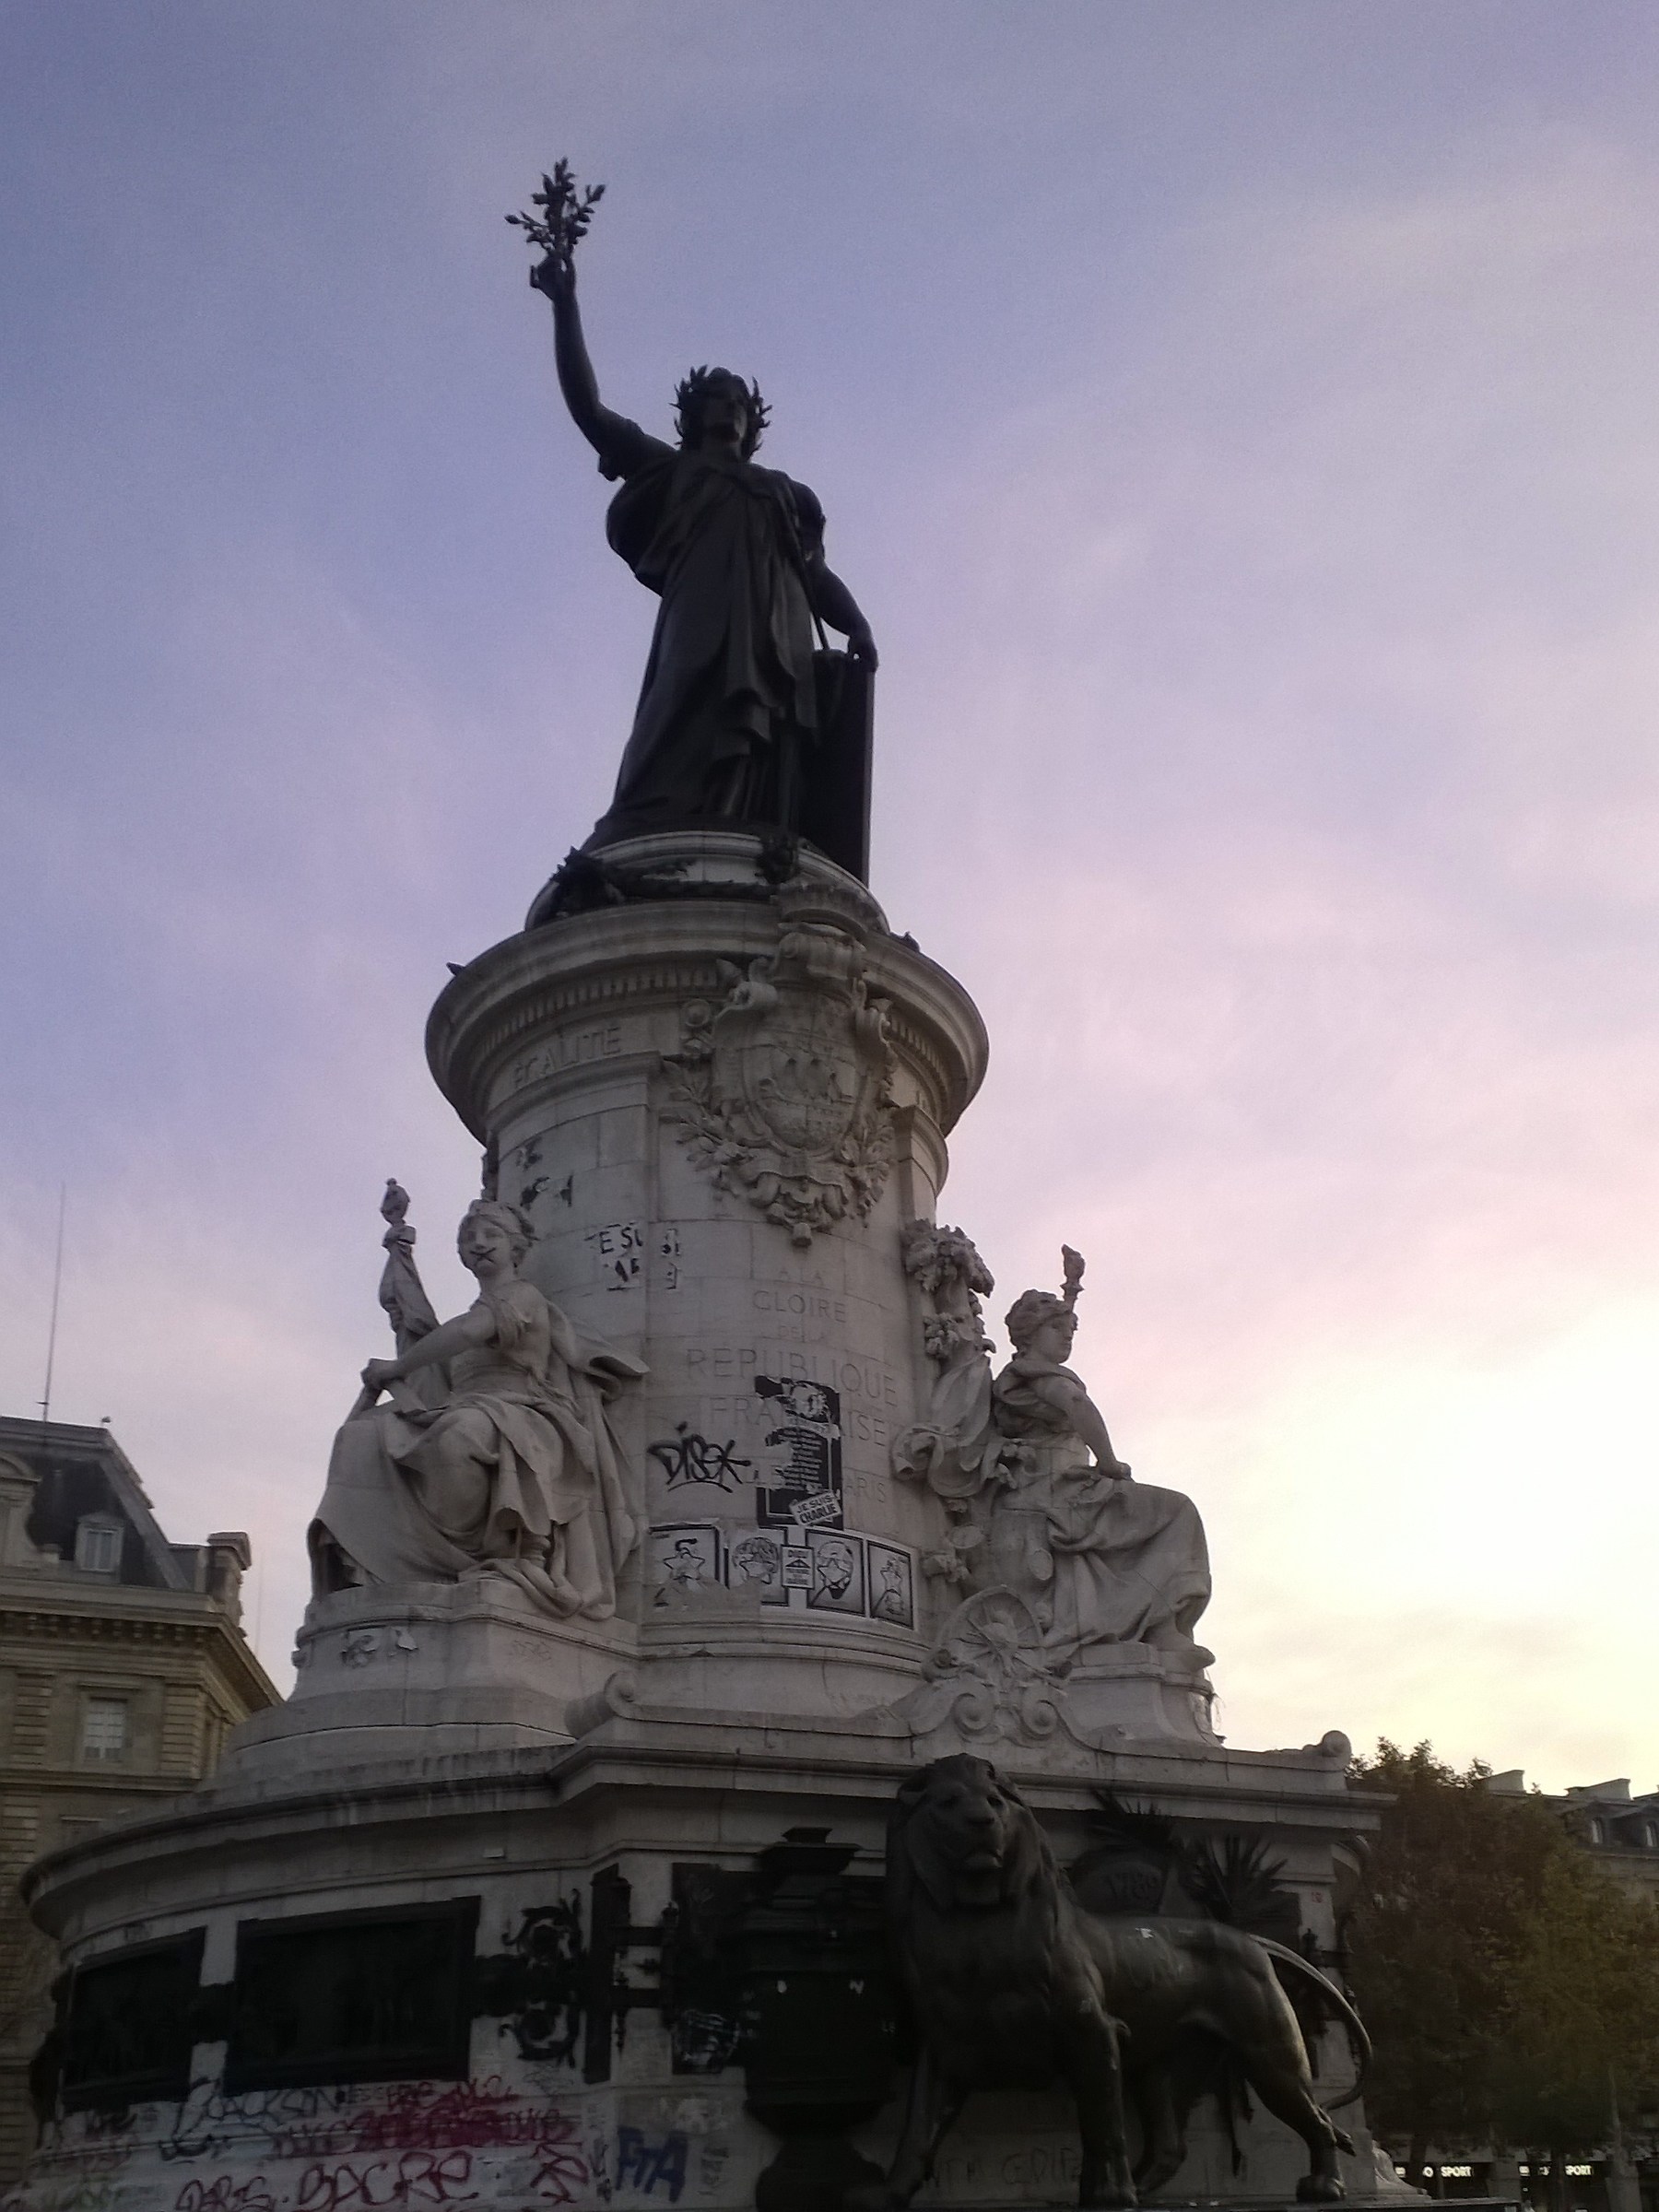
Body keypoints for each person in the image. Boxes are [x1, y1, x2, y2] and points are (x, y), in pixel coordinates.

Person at [533, 244, 877, 848]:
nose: (732, 407)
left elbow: (815, 573)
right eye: (719, 398)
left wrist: (858, 625)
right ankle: (641, 818)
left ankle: (755, 828)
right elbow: (589, 409)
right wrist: (566, 309)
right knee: (682, 690)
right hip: (704, 607)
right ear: (693, 415)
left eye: (741, 401)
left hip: (780, 624)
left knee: (775, 725)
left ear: (753, 420)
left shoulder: (786, 492)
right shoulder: (670, 470)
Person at [310, 1199, 645, 1620]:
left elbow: (470, 1331)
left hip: (527, 1416)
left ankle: (493, 1552)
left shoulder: (523, 1297)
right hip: (473, 1409)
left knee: (459, 1434)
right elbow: (433, 1344)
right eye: (468, 1238)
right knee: (360, 1435)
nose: (479, 1244)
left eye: (492, 1235)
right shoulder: (467, 1320)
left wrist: (397, 1367)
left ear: (517, 1247)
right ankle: (376, 1566)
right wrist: (400, 1252)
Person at [989, 1288, 1211, 1665]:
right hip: (1056, 1490)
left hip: (1064, 1485)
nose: (1067, 1336)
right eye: (1058, 1329)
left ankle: (1156, 1625)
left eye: (1070, 1330)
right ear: (1031, 1333)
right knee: (1177, 1512)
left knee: (1163, 1514)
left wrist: (1070, 1293)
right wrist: (1108, 1461)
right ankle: (1158, 1626)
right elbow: (1076, 1404)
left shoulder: (1029, 1373)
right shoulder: (1035, 1376)